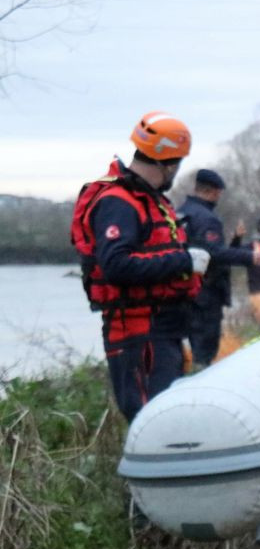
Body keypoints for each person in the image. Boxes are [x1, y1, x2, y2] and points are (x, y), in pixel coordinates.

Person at [70, 111, 207, 422]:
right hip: (138, 335)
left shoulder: (147, 199)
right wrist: (183, 260)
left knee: (168, 420)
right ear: (168, 163)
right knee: (153, 423)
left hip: (161, 330)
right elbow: (116, 265)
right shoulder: (119, 203)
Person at [179, 169, 260, 366]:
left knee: (193, 347)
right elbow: (214, 255)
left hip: (187, 292)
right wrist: (250, 257)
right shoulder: (207, 218)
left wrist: (235, 241)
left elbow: (205, 251)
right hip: (206, 295)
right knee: (205, 353)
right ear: (214, 192)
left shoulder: (183, 211)